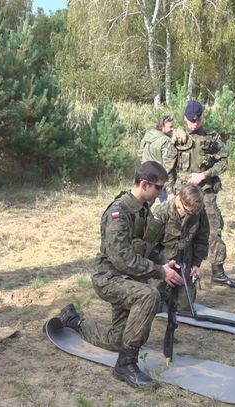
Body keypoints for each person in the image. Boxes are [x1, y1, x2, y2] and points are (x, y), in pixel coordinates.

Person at [58, 161, 183, 389]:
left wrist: (165, 263)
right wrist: (159, 272)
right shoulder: (119, 212)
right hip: (109, 279)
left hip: (127, 279)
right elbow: (122, 258)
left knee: (117, 339)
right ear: (145, 184)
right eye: (159, 188)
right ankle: (126, 365)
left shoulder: (142, 209)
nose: (161, 193)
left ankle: (73, 320)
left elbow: (144, 247)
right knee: (149, 296)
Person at [164, 100, 235, 288]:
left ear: (202, 118)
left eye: (197, 121)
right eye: (191, 121)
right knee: (178, 232)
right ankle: (176, 269)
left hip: (206, 192)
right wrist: (170, 193)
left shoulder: (211, 137)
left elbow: (224, 161)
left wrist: (204, 175)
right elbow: (168, 168)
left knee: (214, 229)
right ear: (185, 118)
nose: (194, 124)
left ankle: (218, 271)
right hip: (183, 194)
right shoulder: (177, 138)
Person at [144, 184, 209, 311]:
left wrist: (196, 264)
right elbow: (148, 244)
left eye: (194, 212)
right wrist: (157, 268)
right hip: (162, 260)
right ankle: (159, 290)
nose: (192, 214)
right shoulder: (162, 212)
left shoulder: (198, 211)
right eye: (189, 211)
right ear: (179, 201)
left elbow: (202, 238)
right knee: (152, 306)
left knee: (184, 307)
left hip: (185, 260)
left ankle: (172, 293)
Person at [138, 115, 174, 202]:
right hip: (159, 178)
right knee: (166, 205)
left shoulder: (148, 134)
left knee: (144, 203)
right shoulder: (165, 141)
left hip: (145, 174)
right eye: (170, 126)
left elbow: (140, 153)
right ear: (163, 126)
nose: (172, 129)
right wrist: (170, 189)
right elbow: (168, 165)